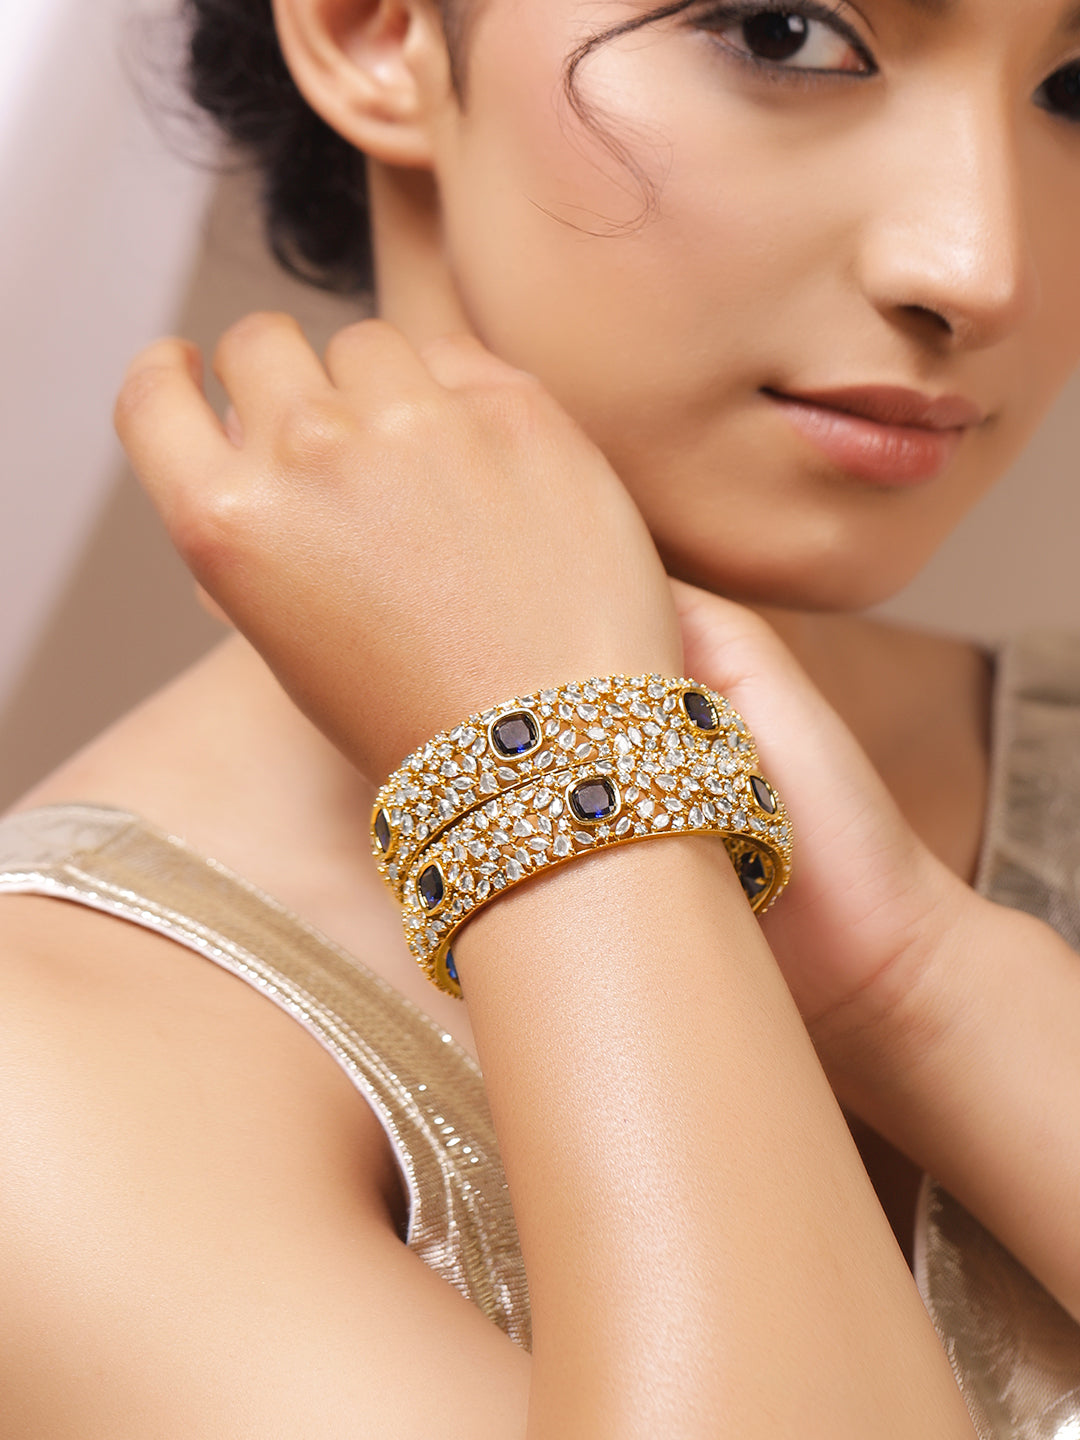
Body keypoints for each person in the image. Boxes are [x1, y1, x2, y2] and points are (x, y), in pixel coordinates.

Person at [2, 0, 1080, 1433]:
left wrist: (924, 992)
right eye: (785, 32)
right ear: (375, 29)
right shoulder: (50, 1077)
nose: (980, 268)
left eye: (1076, 87)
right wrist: (569, 781)